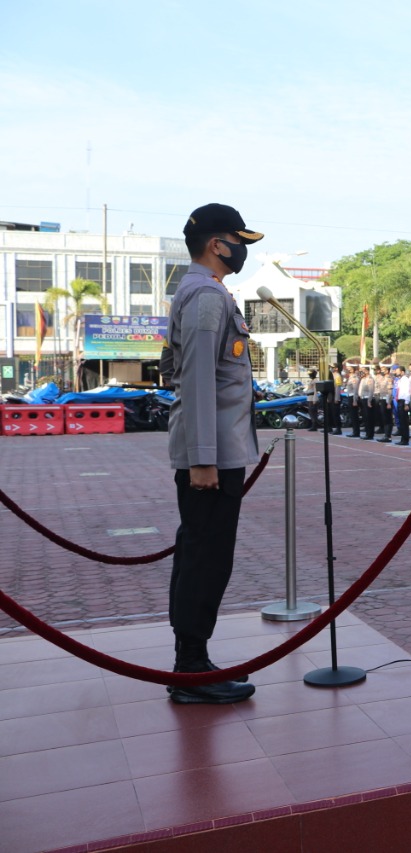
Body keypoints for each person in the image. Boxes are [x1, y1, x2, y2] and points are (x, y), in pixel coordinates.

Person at [162, 202, 263, 705]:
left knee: (202, 553)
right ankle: (191, 669)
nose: (242, 250)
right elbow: (200, 380)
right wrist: (203, 459)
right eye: (237, 240)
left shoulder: (207, 293)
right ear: (216, 243)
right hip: (212, 456)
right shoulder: (206, 296)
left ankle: (192, 660)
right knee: (206, 557)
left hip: (217, 449)